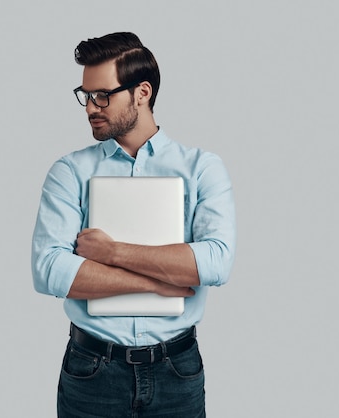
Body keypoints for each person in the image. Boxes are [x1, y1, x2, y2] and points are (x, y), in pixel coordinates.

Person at [31, 31, 236, 417]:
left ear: (142, 92)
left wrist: (111, 252)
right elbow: (50, 271)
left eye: (103, 95)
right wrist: (159, 282)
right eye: (86, 95)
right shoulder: (69, 171)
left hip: (177, 369)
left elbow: (214, 263)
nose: (91, 107)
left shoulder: (202, 168)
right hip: (91, 369)